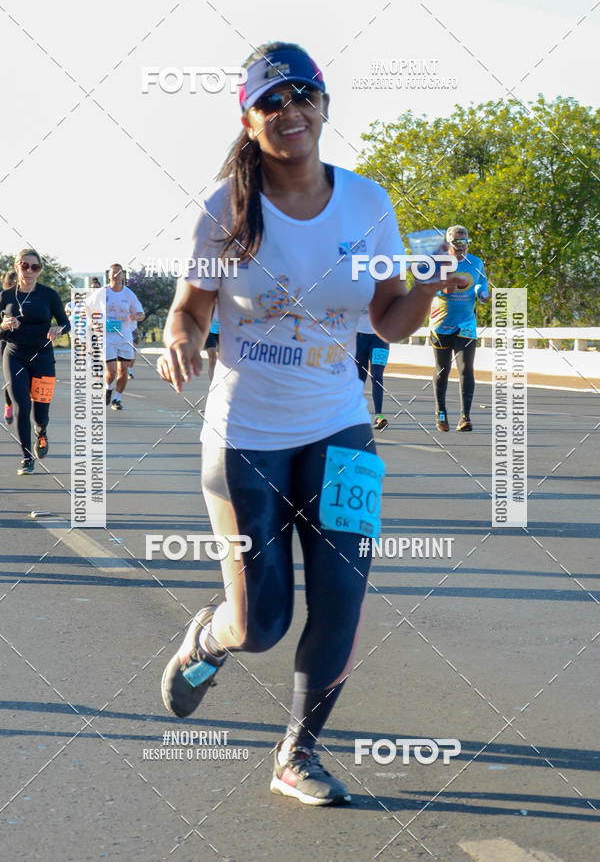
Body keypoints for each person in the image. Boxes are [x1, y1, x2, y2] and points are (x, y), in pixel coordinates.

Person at [156, 42, 463, 806]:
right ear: (250, 119)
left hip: (341, 429)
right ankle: (210, 636)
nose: (290, 112)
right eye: (271, 102)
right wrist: (180, 341)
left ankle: (298, 754)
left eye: (302, 95)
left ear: (323, 104)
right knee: (262, 623)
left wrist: (431, 287)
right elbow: (190, 310)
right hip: (245, 439)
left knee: (343, 599)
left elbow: (388, 323)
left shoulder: (367, 203)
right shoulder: (225, 207)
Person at [0, 249, 70, 473]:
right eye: (25, 266)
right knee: (21, 406)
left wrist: (59, 328)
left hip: (42, 358)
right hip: (14, 355)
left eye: (35, 267)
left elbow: (66, 323)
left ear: (39, 270)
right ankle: (27, 458)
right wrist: (3, 325)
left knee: (41, 413)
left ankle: (41, 431)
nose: (29, 271)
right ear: (17, 266)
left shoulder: (49, 295)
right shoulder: (6, 297)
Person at [429, 225, 490, 432]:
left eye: (464, 242)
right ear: (448, 243)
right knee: (443, 370)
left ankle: (465, 417)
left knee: (466, 369)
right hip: (441, 325)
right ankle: (441, 412)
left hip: (466, 324)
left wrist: (482, 295)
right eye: (457, 242)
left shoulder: (476, 262)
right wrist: (442, 289)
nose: (461, 246)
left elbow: (481, 283)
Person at [101, 264, 144, 409]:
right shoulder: (102, 293)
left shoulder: (129, 294)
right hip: (107, 337)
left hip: (125, 336)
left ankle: (117, 399)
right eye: (113, 273)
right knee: (112, 371)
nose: (116, 275)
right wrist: (93, 323)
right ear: (109, 275)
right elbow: (87, 309)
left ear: (123, 275)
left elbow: (141, 313)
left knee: (124, 369)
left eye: (119, 273)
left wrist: (136, 316)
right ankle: (108, 387)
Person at [355, 307, 390, 430]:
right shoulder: (357, 288)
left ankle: (378, 415)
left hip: (381, 338)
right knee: (359, 378)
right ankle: (354, 415)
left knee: (377, 374)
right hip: (359, 338)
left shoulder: (386, 288)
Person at [2, 270, 18, 424]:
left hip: (25, 343)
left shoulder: (28, 297)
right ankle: (9, 404)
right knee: (9, 378)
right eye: (11, 286)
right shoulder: (3, 298)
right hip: (5, 343)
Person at [204, 305, 219, 383]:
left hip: (223, 329)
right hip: (209, 330)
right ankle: (213, 384)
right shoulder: (208, 294)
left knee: (225, 358)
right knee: (212, 358)